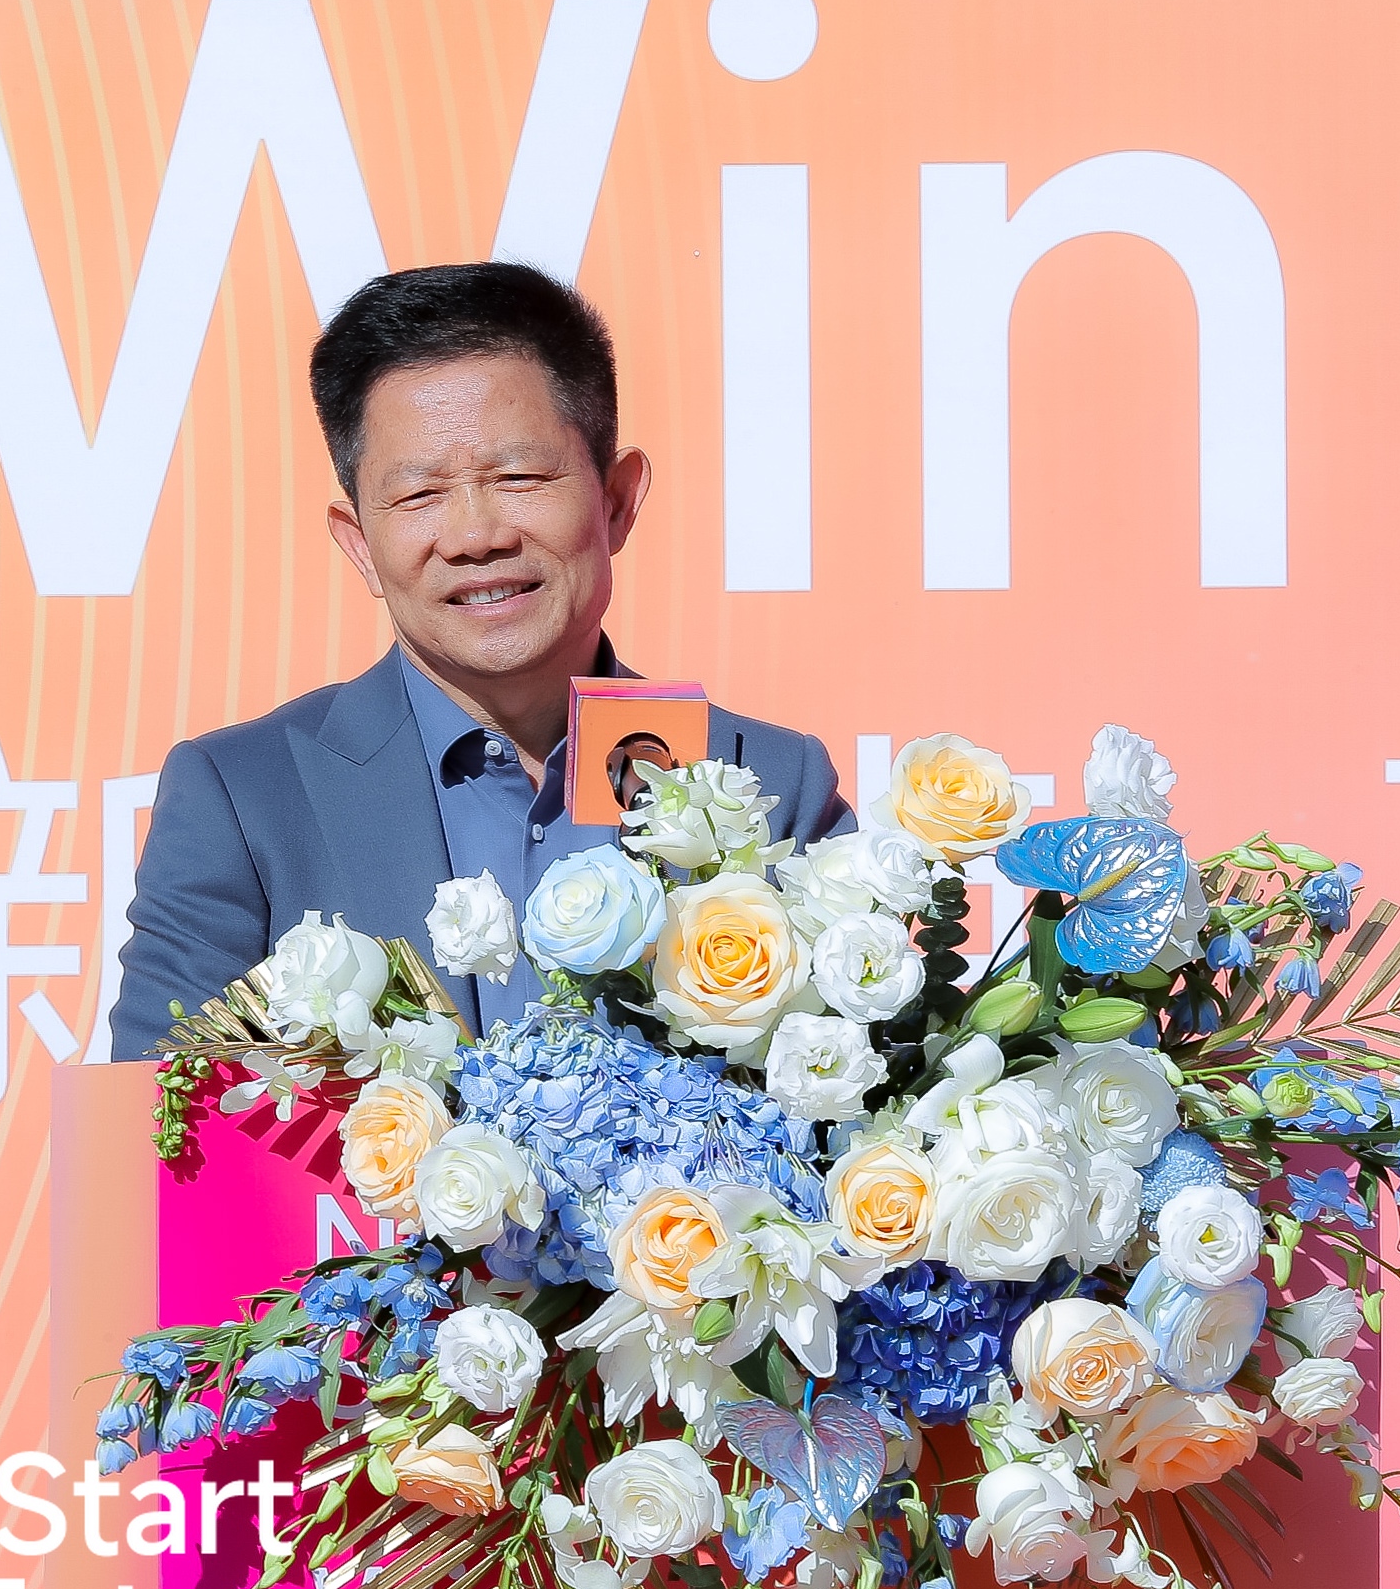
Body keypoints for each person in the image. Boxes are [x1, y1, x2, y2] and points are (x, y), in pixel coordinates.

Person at [108, 263, 851, 1058]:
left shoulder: (768, 783)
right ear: (359, 544)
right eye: (419, 495)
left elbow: (869, 1095)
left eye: (519, 477)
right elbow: (158, 1114)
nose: (475, 537)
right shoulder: (247, 799)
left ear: (616, 501)